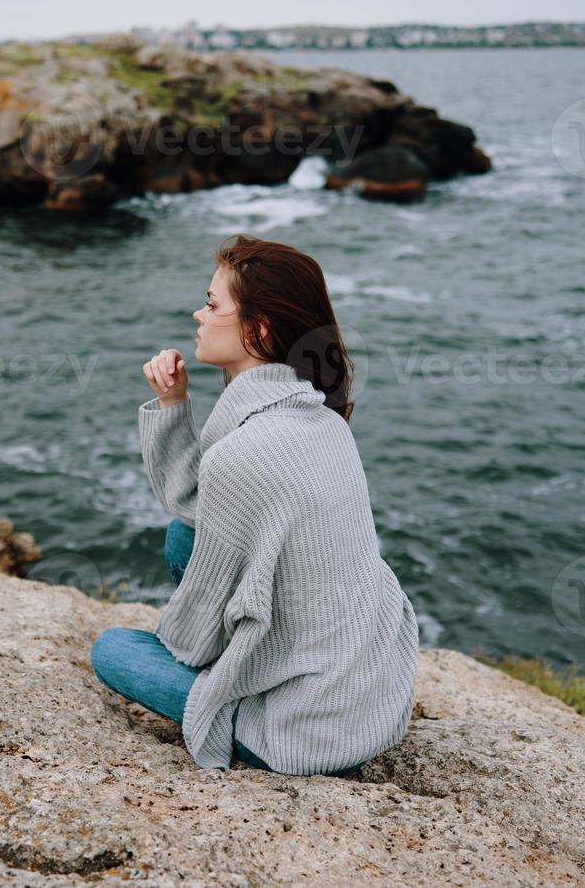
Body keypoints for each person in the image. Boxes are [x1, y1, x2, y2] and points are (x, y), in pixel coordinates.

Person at [91, 233, 420, 776]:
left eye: (213, 304)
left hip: (302, 731)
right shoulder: (322, 420)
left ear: (258, 330)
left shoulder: (248, 449)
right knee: (183, 535)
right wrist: (174, 405)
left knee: (114, 650)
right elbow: (199, 503)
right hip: (370, 693)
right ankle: (267, 676)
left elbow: (195, 635)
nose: (198, 314)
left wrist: (211, 673)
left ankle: (251, 708)